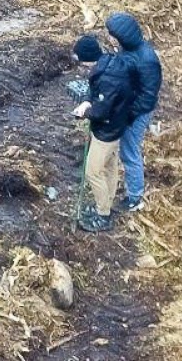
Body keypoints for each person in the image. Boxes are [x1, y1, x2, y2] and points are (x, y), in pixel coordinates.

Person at [71, 35, 138, 232]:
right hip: (118, 124)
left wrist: (85, 113)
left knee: (92, 172)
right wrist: (87, 100)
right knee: (109, 166)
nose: (81, 66)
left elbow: (102, 111)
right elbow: (97, 94)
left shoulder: (108, 79)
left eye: (80, 60)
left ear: (86, 58)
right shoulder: (108, 62)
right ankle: (106, 204)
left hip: (108, 130)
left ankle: (103, 216)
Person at [108, 12, 161, 212]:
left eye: (112, 34)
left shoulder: (147, 60)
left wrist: (129, 116)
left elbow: (148, 97)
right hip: (128, 106)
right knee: (124, 148)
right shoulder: (128, 49)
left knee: (129, 151)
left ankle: (135, 197)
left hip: (137, 113)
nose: (110, 37)